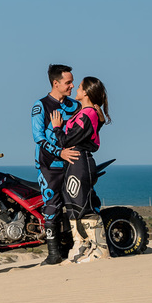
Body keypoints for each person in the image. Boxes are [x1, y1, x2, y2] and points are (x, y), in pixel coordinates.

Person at [49, 76, 111, 263]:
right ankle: (83, 246)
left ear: (86, 93)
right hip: (73, 163)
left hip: (80, 162)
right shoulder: (84, 112)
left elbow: (68, 140)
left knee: (83, 205)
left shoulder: (88, 114)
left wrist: (57, 128)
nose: (75, 88)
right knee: (72, 204)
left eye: (80, 87)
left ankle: (100, 250)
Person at [32, 64, 81, 266]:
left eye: (72, 82)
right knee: (51, 208)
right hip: (49, 166)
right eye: (68, 82)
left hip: (73, 164)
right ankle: (53, 255)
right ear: (56, 83)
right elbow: (38, 137)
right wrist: (60, 152)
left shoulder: (75, 106)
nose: (72, 86)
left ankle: (81, 247)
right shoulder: (40, 105)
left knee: (78, 205)